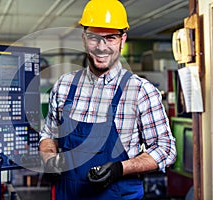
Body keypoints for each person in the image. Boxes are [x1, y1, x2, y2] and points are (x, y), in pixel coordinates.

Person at [39, 0, 177, 199]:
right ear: (84, 39)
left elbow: (165, 149)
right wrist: (49, 158)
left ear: (123, 40)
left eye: (110, 38)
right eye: (94, 37)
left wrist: (120, 169)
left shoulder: (141, 91)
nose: (101, 47)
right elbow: (48, 134)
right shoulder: (64, 86)